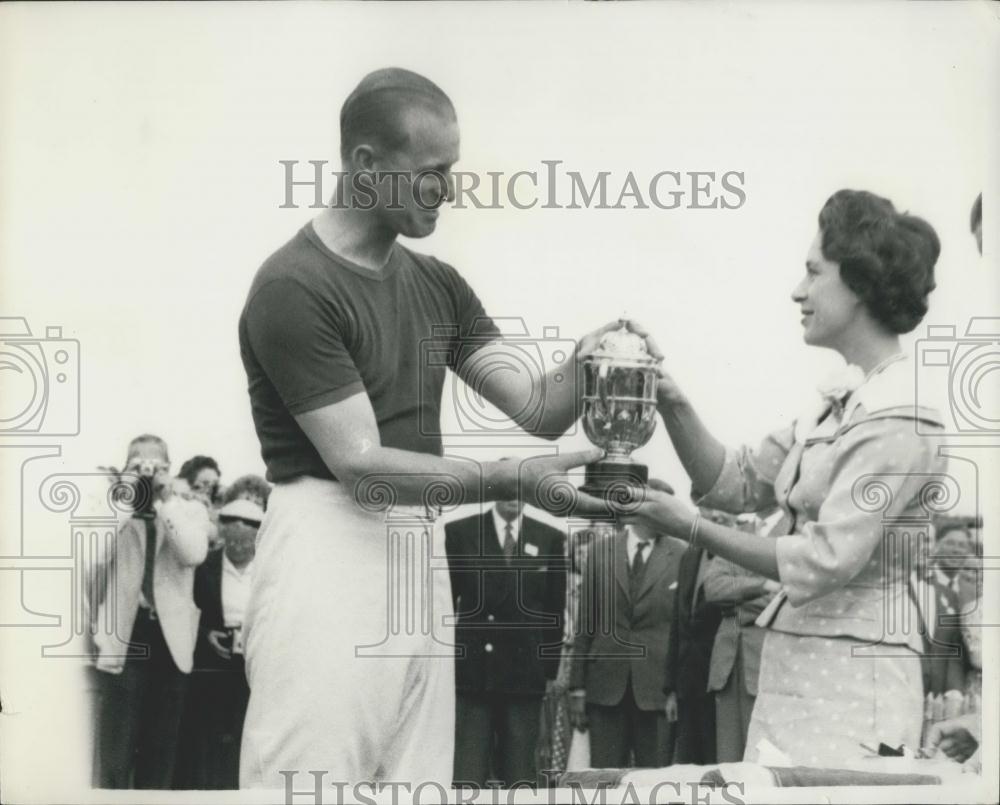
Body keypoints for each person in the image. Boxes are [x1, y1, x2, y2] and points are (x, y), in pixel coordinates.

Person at [237, 67, 617, 788]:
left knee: (417, 784)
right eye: (432, 173)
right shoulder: (293, 285)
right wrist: (506, 479)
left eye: (453, 172)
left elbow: (537, 406)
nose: (448, 191)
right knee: (309, 781)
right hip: (325, 545)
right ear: (366, 165)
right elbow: (361, 465)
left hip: (418, 549)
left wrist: (595, 360)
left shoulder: (439, 282)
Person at [610, 189, 946, 766]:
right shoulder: (840, 403)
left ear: (860, 283)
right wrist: (667, 397)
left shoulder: (901, 414)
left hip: (856, 687)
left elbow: (821, 559)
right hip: (799, 674)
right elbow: (734, 483)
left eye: (814, 273)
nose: (798, 290)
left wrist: (688, 529)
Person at [89, 434, 213, 788]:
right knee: (115, 754)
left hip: (170, 641)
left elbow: (193, 554)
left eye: (155, 465)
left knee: (160, 755)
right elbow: (95, 553)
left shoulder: (188, 509)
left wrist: (165, 500)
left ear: (169, 469)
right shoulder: (115, 509)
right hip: (125, 637)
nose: (147, 471)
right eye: (138, 463)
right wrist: (127, 495)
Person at [445, 493, 567, 787]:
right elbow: (444, 602)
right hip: (474, 672)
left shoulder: (549, 537)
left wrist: (549, 670)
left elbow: (554, 610)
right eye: (507, 488)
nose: (514, 496)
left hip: (524, 675)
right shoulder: (460, 532)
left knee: (520, 774)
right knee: (467, 772)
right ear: (493, 490)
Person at [567, 516, 684, 768]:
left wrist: (677, 689)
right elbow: (585, 624)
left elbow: (684, 631)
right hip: (605, 687)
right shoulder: (601, 551)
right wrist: (577, 687)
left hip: (657, 691)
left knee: (655, 783)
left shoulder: (681, 554)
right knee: (604, 779)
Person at [175, 496, 264, 789]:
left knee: (244, 738)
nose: (238, 549)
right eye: (233, 542)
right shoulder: (204, 567)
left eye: (245, 543)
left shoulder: (267, 570)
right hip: (211, 667)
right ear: (224, 536)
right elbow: (186, 610)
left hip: (252, 667)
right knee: (205, 737)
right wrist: (206, 634)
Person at [702, 510, 783, 763]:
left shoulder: (794, 532)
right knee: (728, 760)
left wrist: (733, 607)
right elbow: (713, 589)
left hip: (768, 661)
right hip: (728, 665)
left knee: (764, 760)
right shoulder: (738, 535)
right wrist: (761, 586)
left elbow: (786, 598)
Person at [662, 510, 727, 765]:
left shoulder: (739, 560)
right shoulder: (689, 557)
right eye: (706, 512)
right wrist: (671, 689)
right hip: (687, 685)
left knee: (718, 765)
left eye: (718, 514)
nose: (713, 518)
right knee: (688, 766)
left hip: (720, 682)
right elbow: (677, 626)